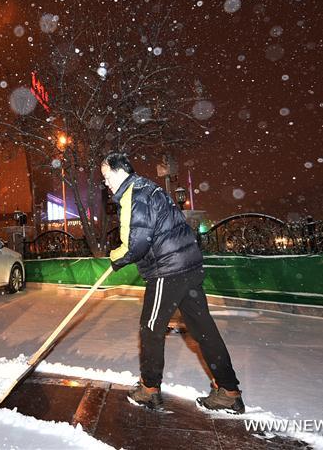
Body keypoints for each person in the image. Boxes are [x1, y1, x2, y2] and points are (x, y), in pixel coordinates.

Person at [101, 152, 244, 414]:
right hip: (188, 266)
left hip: (167, 270)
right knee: (203, 329)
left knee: (151, 328)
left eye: (107, 177)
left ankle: (149, 389)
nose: (106, 183)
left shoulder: (134, 193)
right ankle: (229, 391)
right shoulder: (150, 188)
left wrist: (115, 257)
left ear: (120, 172)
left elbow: (136, 244)